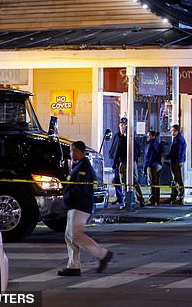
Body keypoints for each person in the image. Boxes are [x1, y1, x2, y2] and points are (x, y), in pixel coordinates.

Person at [58, 140, 113, 276]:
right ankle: (73, 266)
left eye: (71, 151)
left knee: (76, 235)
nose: (70, 153)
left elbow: (81, 189)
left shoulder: (83, 168)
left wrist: (69, 197)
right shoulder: (79, 165)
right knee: (69, 236)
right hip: (75, 205)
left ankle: (103, 255)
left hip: (80, 206)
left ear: (77, 151)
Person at [109, 117, 145, 208]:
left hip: (130, 162)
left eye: (124, 125)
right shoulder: (117, 136)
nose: (123, 126)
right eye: (121, 125)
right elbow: (115, 150)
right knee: (124, 182)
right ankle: (126, 200)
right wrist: (114, 164)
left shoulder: (130, 137)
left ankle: (140, 199)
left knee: (134, 181)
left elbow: (136, 149)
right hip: (122, 162)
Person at [166, 124, 187, 204]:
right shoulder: (177, 139)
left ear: (176, 131)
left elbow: (176, 152)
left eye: (172, 131)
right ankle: (174, 196)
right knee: (175, 179)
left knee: (178, 179)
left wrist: (169, 157)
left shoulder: (178, 139)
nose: (171, 132)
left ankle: (180, 197)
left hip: (177, 161)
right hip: (176, 161)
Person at [144, 130, 163, 206]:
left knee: (151, 183)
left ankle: (152, 200)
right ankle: (157, 200)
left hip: (152, 166)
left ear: (152, 136)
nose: (147, 137)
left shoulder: (150, 145)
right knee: (156, 183)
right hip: (158, 165)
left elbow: (148, 157)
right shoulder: (157, 144)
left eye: (149, 135)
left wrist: (145, 167)